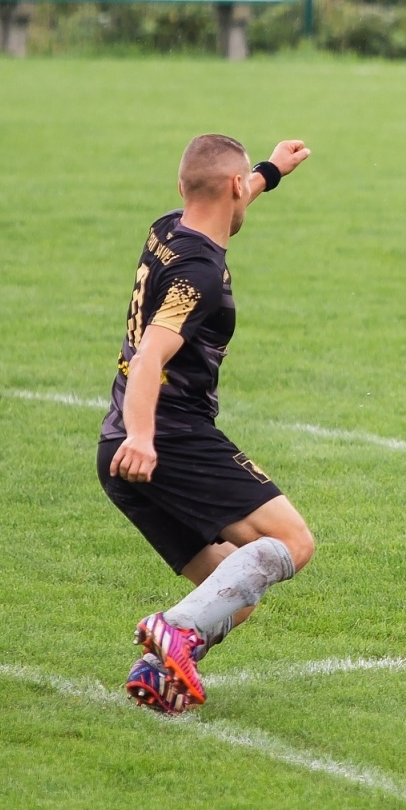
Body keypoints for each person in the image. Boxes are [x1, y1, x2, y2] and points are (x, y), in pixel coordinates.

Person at [99, 133, 315, 714]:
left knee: (233, 593)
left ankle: (157, 667)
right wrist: (145, 438)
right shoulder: (199, 273)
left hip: (116, 447)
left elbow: (224, 195)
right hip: (168, 439)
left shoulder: (168, 227)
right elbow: (149, 358)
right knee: (291, 542)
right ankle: (173, 632)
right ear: (231, 188)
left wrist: (269, 170)